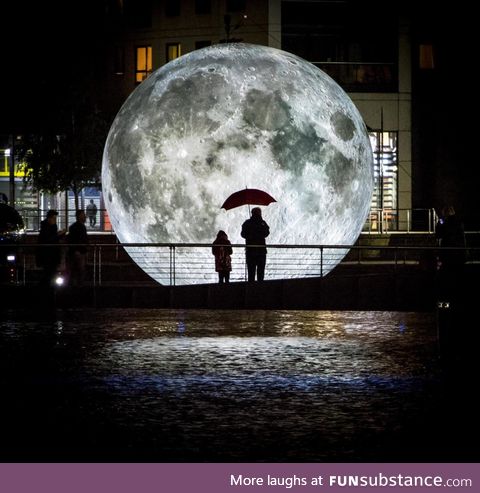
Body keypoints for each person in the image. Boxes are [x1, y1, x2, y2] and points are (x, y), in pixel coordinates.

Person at [241, 207, 270, 282]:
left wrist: (250, 234)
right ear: (260, 213)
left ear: (252, 213)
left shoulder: (247, 223)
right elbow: (267, 233)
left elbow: (243, 234)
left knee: (251, 272)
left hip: (250, 251)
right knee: (261, 272)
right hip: (261, 251)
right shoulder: (262, 223)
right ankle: (260, 290)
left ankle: (251, 290)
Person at [37, 209, 64, 286]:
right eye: (54, 218)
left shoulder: (52, 226)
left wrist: (60, 235)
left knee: (51, 272)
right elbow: (48, 239)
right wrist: (59, 234)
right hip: (48, 254)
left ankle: (48, 287)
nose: (55, 220)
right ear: (49, 218)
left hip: (52, 254)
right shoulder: (46, 227)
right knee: (49, 272)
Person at [435, 205, 466, 272]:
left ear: (445, 213)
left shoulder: (445, 223)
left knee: (447, 271)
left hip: (447, 251)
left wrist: (439, 224)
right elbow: (462, 237)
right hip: (459, 251)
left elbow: (438, 235)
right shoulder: (459, 222)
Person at [67, 209, 88, 286]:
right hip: (78, 252)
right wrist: (77, 250)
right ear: (79, 216)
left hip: (79, 251)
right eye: (83, 215)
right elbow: (74, 240)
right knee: (79, 271)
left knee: (77, 271)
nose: (85, 216)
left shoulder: (77, 227)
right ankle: (77, 288)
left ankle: (75, 287)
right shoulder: (77, 227)